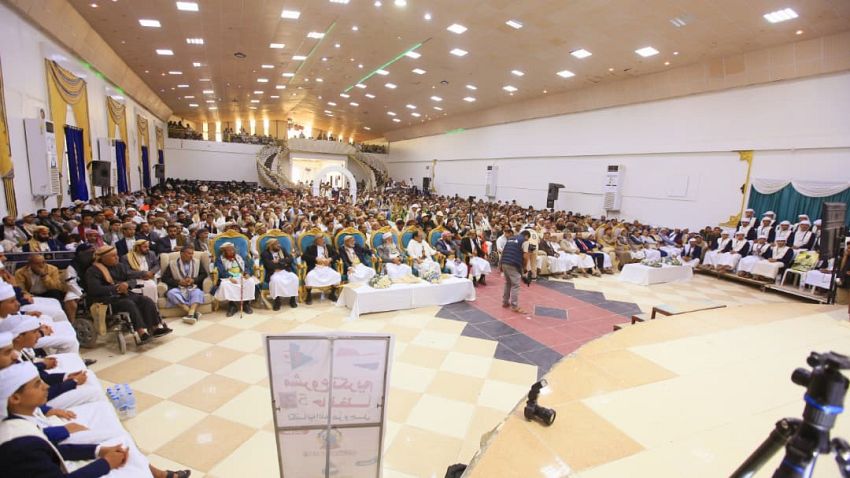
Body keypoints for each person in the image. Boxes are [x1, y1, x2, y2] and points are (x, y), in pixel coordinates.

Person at [84, 246, 171, 343]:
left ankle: (154, 329)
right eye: (113, 256)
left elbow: (132, 278)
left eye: (116, 255)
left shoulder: (120, 266)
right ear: (103, 258)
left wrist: (127, 284)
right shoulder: (93, 271)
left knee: (146, 300)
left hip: (124, 294)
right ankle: (141, 333)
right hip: (106, 300)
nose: (117, 257)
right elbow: (95, 289)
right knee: (129, 304)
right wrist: (117, 288)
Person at [162, 246, 208, 324]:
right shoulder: (172, 264)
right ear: (182, 254)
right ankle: (191, 313)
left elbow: (204, 274)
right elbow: (165, 278)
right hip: (179, 288)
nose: (191, 256)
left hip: (193, 287)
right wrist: (178, 282)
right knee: (171, 293)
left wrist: (193, 280)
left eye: (192, 254)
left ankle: (191, 313)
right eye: (189, 253)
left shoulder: (197, 262)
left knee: (197, 292)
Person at [213, 242, 258, 317]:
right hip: (228, 277)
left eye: (232, 250)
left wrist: (246, 273)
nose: (231, 252)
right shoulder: (220, 259)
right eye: (229, 250)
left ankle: (246, 304)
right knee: (225, 285)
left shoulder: (239, 257)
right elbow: (221, 271)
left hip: (241, 276)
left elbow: (246, 267)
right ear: (224, 251)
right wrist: (230, 277)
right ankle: (232, 305)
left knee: (250, 281)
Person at [260, 240, 299, 311]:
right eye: (276, 244)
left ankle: (292, 299)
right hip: (273, 272)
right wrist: (284, 263)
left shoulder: (282, 250)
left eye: (279, 243)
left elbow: (290, 259)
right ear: (270, 246)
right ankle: (277, 301)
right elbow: (269, 265)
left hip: (285, 271)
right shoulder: (265, 253)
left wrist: (279, 261)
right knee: (276, 281)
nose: (279, 245)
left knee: (294, 278)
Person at [302, 235, 341, 304]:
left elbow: (337, 255)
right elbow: (304, 256)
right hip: (315, 267)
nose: (323, 240)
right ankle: (309, 295)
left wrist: (330, 259)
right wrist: (315, 258)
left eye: (323, 239)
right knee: (309, 277)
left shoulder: (328, 247)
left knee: (336, 275)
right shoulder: (311, 248)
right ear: (316, 241)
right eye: (321, 239)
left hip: (327, 267)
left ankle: (332, 293)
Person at [500, 230, 529, 314]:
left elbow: (503, 252)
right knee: (515, 285)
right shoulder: (525, 241)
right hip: (513, 263)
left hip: (505, 262)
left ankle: (505, 302)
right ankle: (514, 306)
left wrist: (500, 264)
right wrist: (524, 267)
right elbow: (525, 256)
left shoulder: (510, 239)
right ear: (526, 236)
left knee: (508, 283)